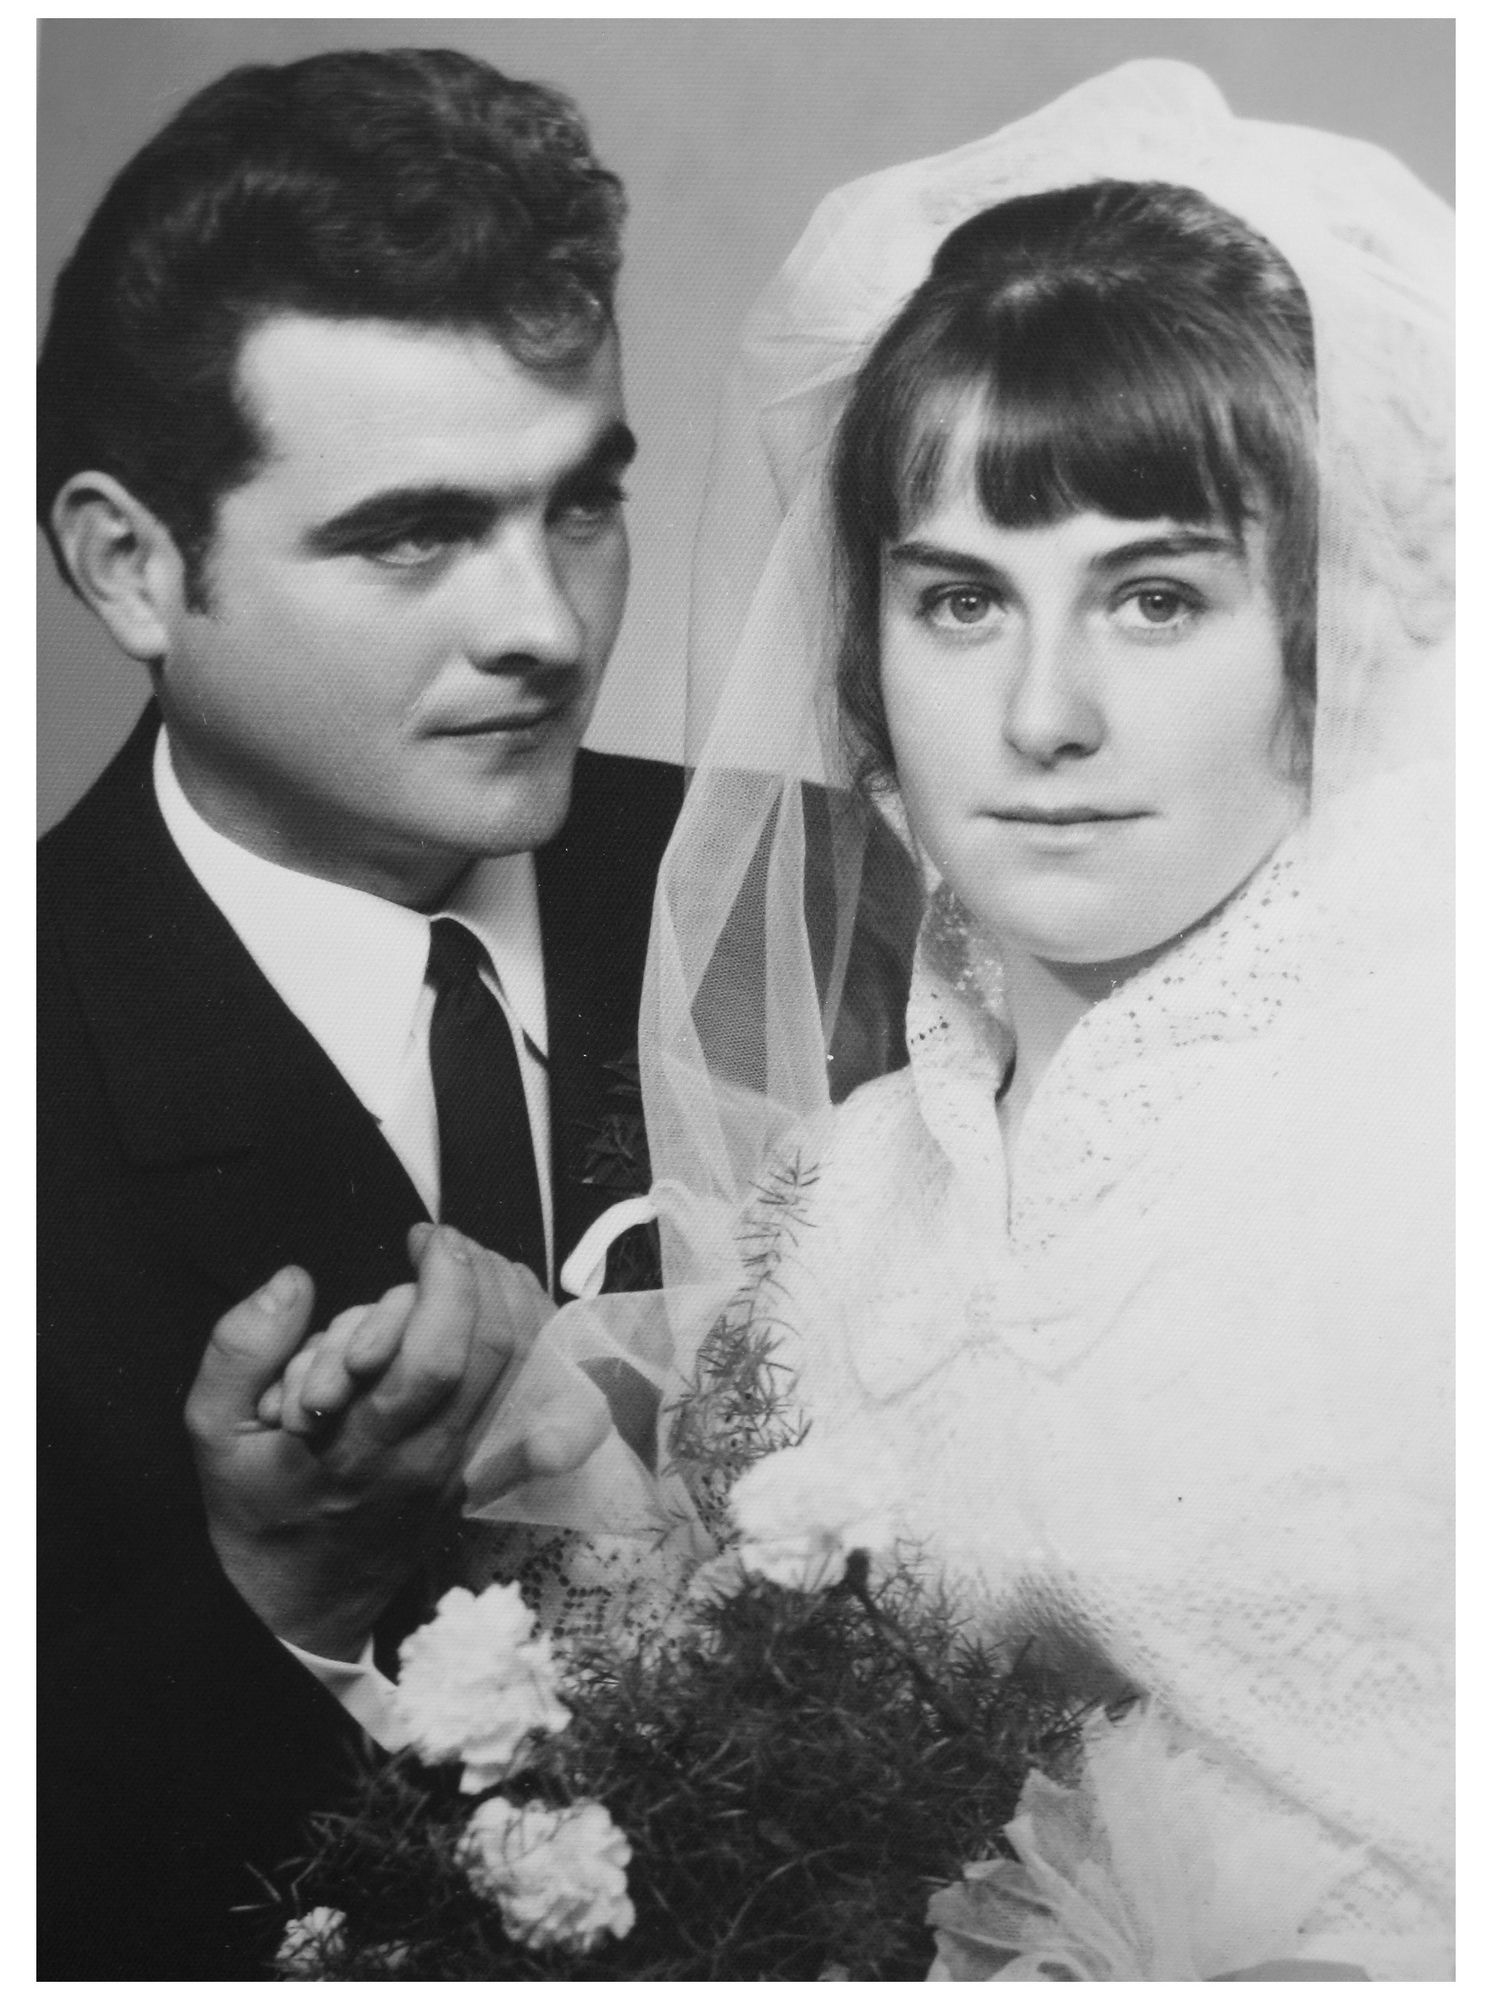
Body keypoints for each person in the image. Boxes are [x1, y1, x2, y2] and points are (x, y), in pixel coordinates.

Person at [468, 61, 1452, 1979]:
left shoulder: (1437, 1136)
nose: (1043, 718)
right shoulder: (838, 1197)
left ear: (1322, 640)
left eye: (1155, 600)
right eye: (961, 603)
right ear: (866, 654)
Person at [37, 47, 684, 1979]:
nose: (547, 626)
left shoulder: (813, 892)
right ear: (130, 567)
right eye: (414, 532)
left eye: (583, 504)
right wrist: (287, 1603)